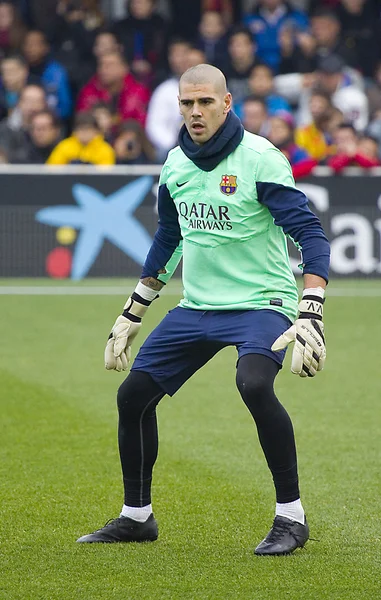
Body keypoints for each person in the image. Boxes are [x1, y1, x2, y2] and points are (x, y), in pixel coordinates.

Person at [76, 64, 330, 555]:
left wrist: (311, 308)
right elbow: (169, 239)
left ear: (227, 103)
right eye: (186, 103)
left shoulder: (260, 158)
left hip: (263, 302)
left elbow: (311, 234)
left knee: (253, 383)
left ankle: (291, 518)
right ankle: (137, 517)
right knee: (132, 398)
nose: (195, 112)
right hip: (198, 307)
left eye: (205, 102)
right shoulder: (174, 164)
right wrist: (134, 310)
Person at [76, 51, 150, 127]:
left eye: (110, 65)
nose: (104, 69)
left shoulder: (139, 92)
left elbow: (141, 124)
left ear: (124, 68)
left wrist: (112, 122)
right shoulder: (89, 92)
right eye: (101, 65)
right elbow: (81, 122)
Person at [22, 29, 72, 120]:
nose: (30, 48)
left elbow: (65, 107)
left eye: (35, 44)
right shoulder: (21, 70)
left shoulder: (56, 72)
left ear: (45, 48)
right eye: (27, 44)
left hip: (51, 123)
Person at [46, 112, 115, 165]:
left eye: (88, 129)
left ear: (96, 131)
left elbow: (106, 174)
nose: (84, 133)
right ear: (74, 131)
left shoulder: (105, 149)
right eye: (81, 129)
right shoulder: (64, 146)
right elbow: (52, 169)